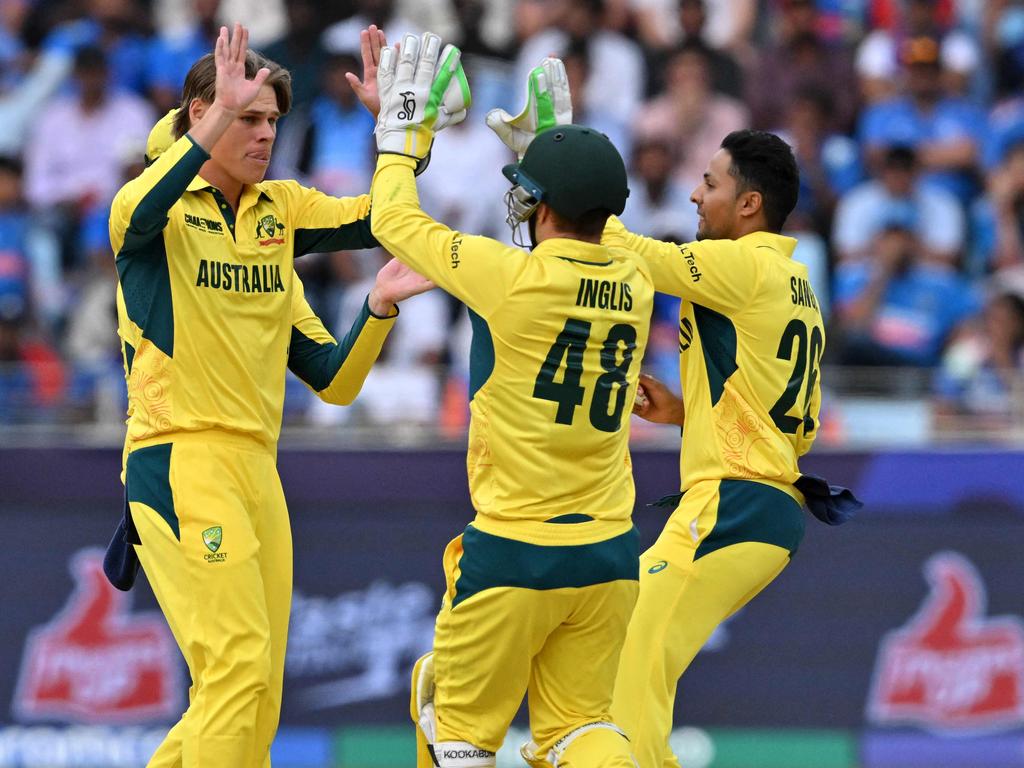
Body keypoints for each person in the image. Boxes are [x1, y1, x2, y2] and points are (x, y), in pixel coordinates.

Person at [104, 24, 432, 768]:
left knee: (255, 690)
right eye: (249, 119)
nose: (264, 136)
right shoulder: (147, 211)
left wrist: (396, 132)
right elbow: (140, 205)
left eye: (272, 122)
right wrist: (219, 112)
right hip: (179, 457)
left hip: (257, 471)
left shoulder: (277, 217)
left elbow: (337, 375)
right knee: (236, 671)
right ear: (202, 113)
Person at [366, 34, 652, 767]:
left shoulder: (511, 279)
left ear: (543, 201)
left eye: (529, 187)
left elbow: (395, 225)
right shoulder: (637, 282)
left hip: (514, 549)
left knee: (452, 731)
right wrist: (556, 156)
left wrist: (399, 141)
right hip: (610, 551)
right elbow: (600, 230)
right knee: (584, 730)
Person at [601, 130, 861, 768]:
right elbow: (776, 411)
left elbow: (631, 252)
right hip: (760, 503)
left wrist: (555, 183)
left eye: (711, 183)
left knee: (629, 655)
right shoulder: (792, 278)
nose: (694, 193)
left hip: (732, 504)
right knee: (639, 662)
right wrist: (689, 413)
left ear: (749, 205)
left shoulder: (743, 265)